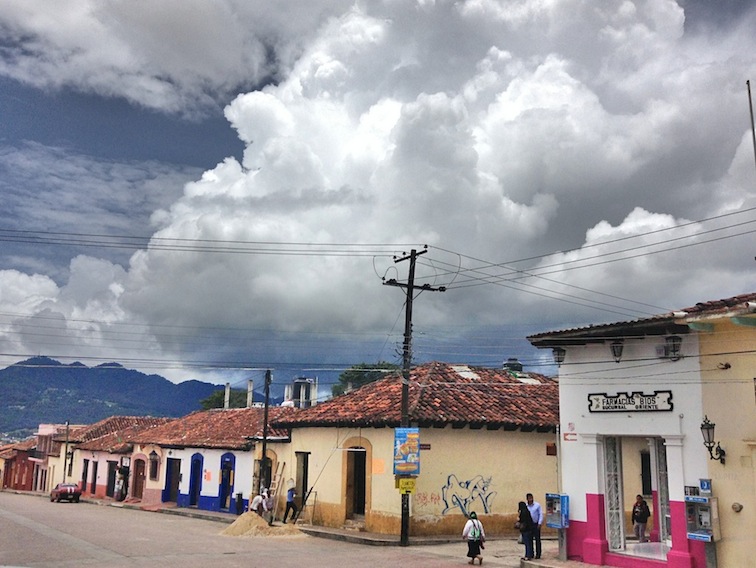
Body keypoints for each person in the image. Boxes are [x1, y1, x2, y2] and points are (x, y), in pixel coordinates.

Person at [526, 492, 544, 559]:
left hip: (536, 524)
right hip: (529, 525)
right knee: (530, 539)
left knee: (537, 539)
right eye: (529, 498)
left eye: (531, 498)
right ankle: (531, 553)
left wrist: (539, 523)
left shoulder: (537, 505)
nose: (531, 499)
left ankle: (538, 554)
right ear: (527, 499)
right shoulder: (526, 506)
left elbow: (540, 514)